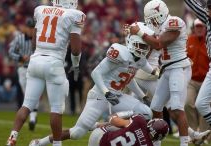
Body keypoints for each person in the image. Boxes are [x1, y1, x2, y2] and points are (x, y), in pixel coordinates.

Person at [29, 22, 159, 146]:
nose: (144, 49)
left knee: (146, 112)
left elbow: (128, 80)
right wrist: (106, 92)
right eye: (141, 46)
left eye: (145, 46)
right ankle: (40, 142)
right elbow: (96, 73)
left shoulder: (139, 60)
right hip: (100, 96)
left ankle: (119, 135)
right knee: (77, 133)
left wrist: (143, 97)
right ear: (131, 41)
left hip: (117, 97)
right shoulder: (120, 53)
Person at [6, 0, 85, 145]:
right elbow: (75, 50)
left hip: (35, 60)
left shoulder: (40, 10)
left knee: (27, 105)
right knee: (56, 109)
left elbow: (34, 42)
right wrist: (75, 65)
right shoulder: (74, 15)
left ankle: (12, 137)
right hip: (54, 63)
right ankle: (56, 144)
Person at [130, 0, 192, 145]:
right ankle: (157, 143)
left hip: (178, 67)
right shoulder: (160, 27)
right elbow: (151, 44)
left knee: (176, 108)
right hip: (166, 69)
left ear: (160, 13)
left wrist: (139, 32)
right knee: (156, 107)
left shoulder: (174, 22)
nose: (151, 22)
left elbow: (158, 44)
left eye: (152, 18)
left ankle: (184, 143)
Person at [184, 0, 211, 129]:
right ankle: (195, 131)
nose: (208, 11)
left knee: (203, 104)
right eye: (208, 8)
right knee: (195, 103)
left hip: (206, 75)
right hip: (194, 78)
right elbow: (194, 5)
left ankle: (205, 133)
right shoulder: (189, 40)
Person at [9, 17, 38, 131]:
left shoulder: (38, 38)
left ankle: (32, 117)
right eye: (29, 28)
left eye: (33, 28)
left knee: (32, 93)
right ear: (25, 28)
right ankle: (33, 115)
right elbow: (11, 51)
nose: (31, 30)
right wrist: (20, 57)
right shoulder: (19, 38)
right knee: (27, 93)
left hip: (34, 69)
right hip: (22, 68)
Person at [88, 111, 169, 146]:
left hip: (98, 137)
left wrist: (130, 112)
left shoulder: (139, 121)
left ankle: (96, 125)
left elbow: (113, 119)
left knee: (125, 125)